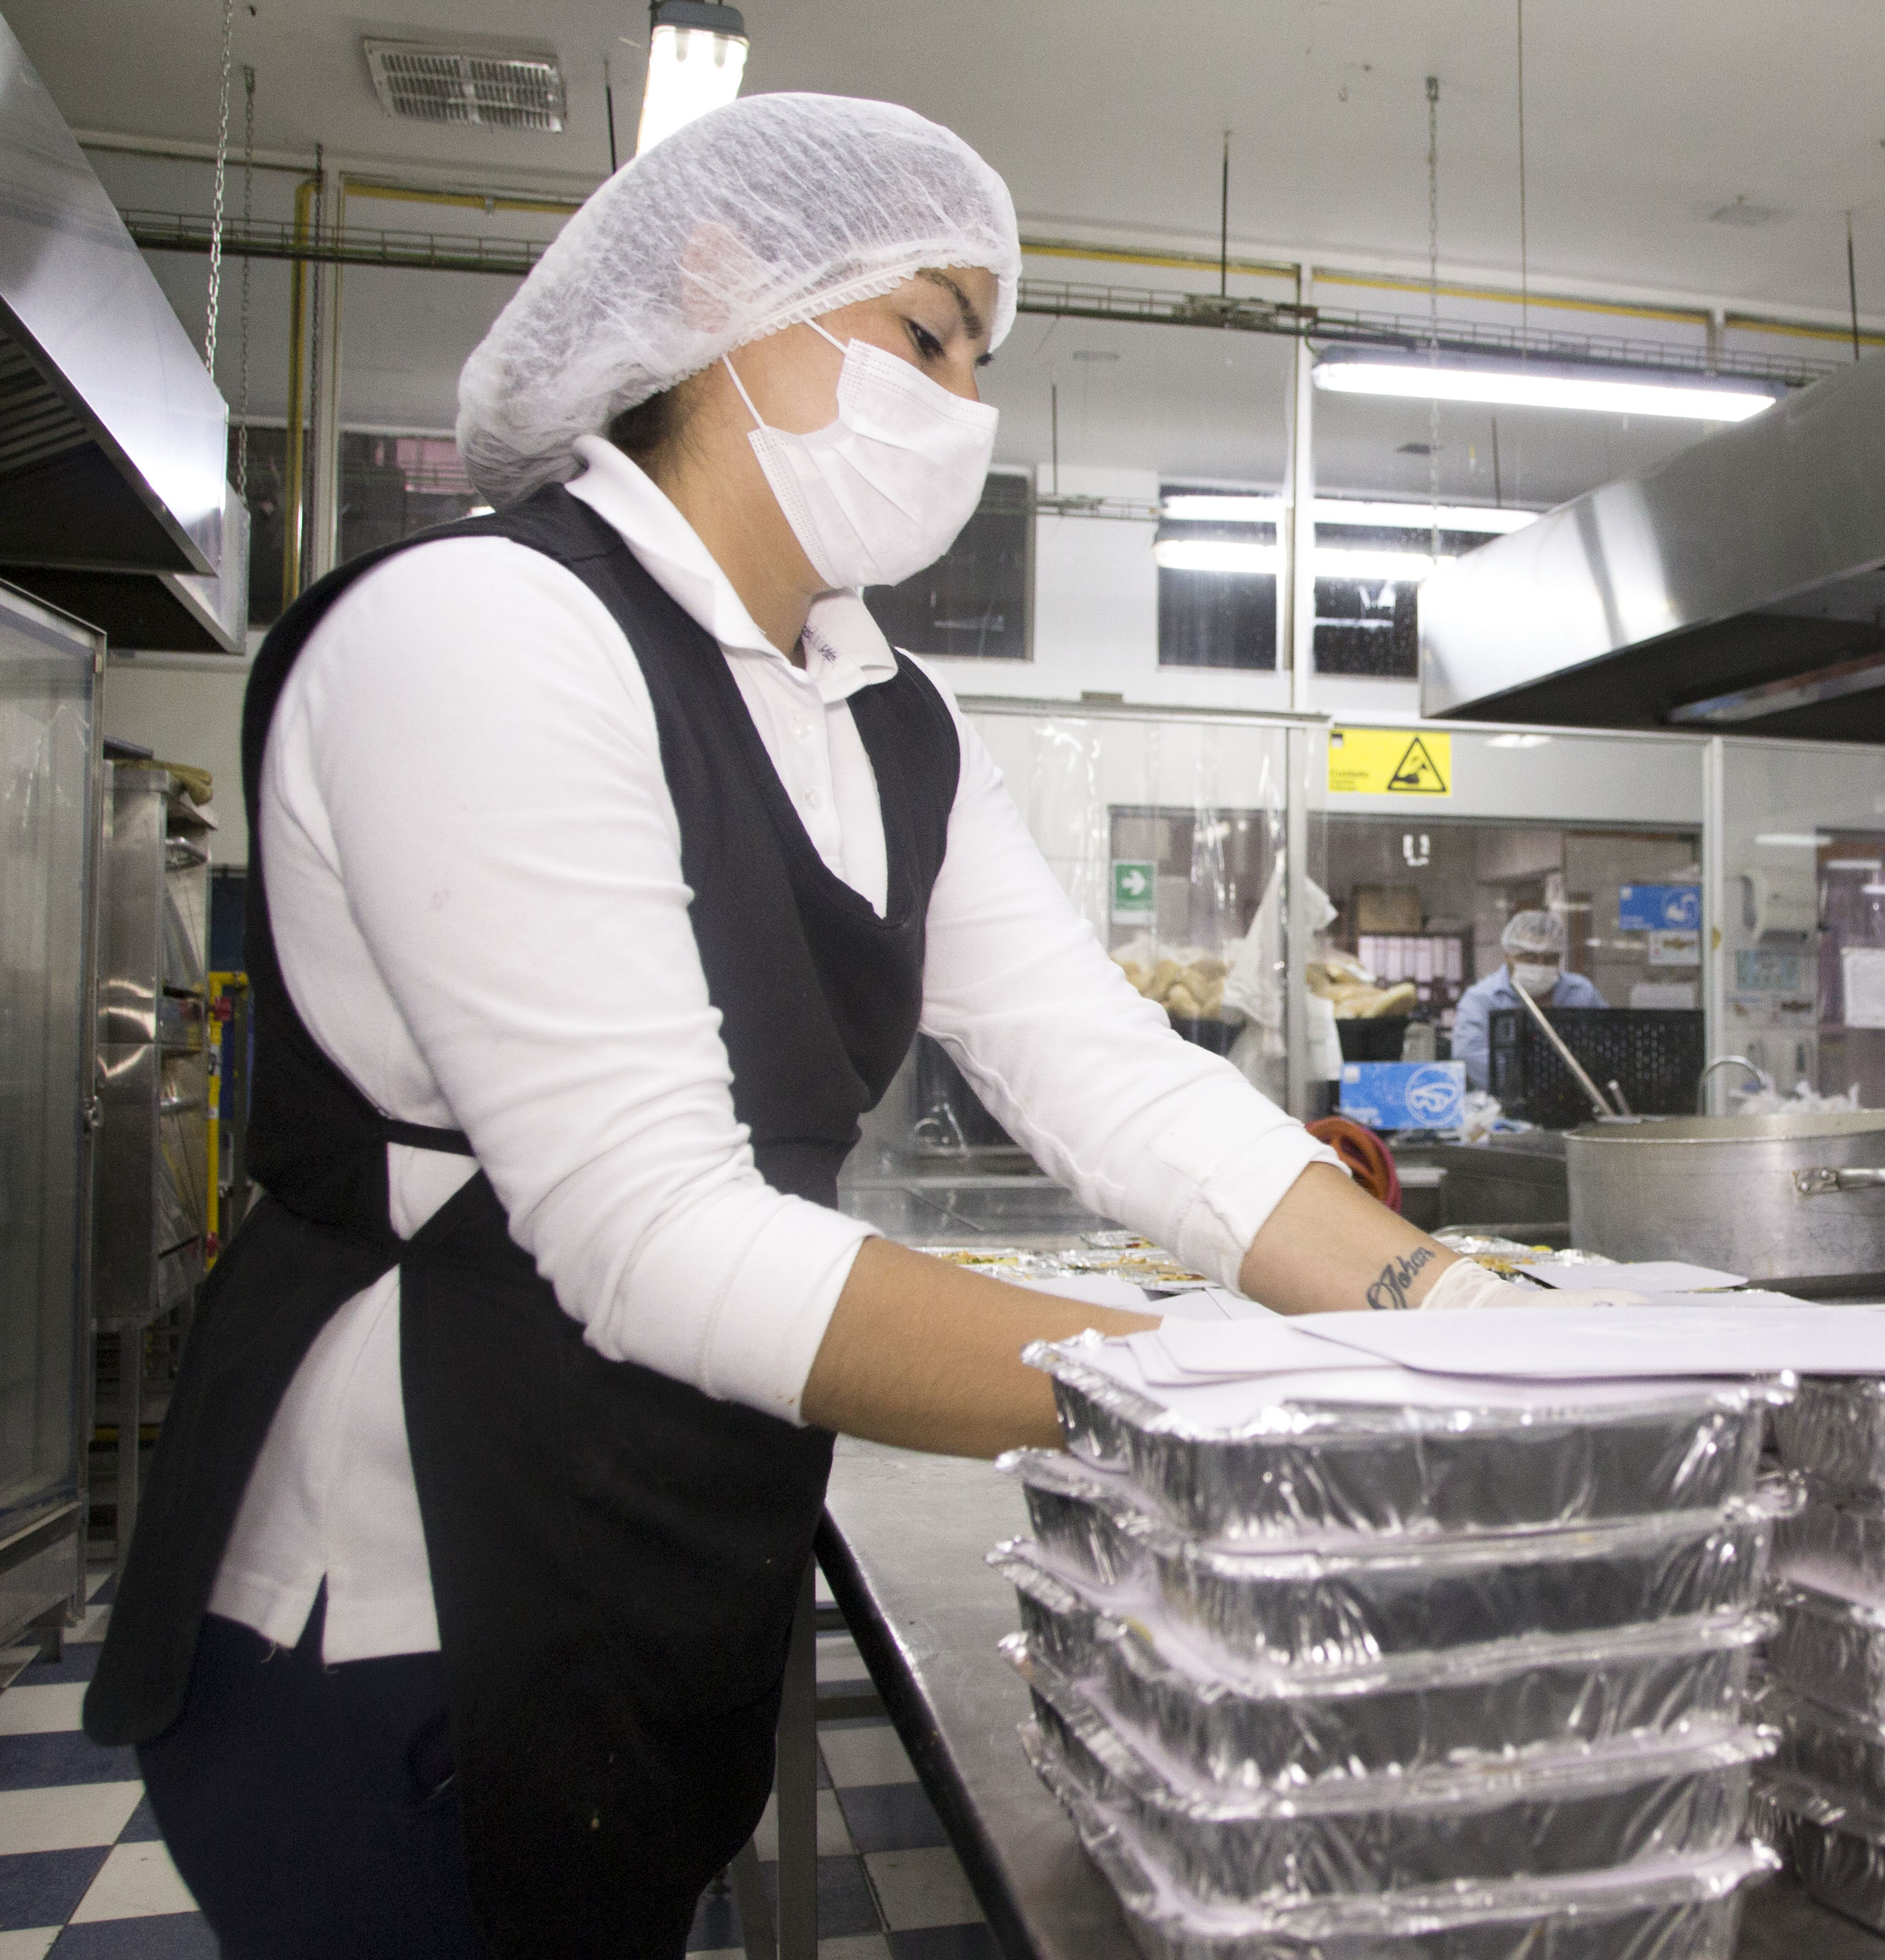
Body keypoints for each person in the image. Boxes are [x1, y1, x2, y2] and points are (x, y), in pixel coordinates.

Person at [83, 95, 1527, 1960]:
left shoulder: (886, 717)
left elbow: (1100, 1069)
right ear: (722, 290)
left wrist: (1426, 1309)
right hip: (405, 1610)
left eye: (981, 362)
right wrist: (1214, 1385)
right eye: (924, 335)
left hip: (657, 1568)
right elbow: (654, 1235)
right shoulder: (488, 630)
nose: (962, 407)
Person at [1451, 906, 1607, 1089]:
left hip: (1577, 1096)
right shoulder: (1482, 999)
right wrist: (1533, 1080)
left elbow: (1608, 1042)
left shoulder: (1581, 992)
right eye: (1530, 958)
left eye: (1550, 959)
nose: (1540, 966)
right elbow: (1470, 1055)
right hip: (1507, 1103)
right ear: (1508, 956)